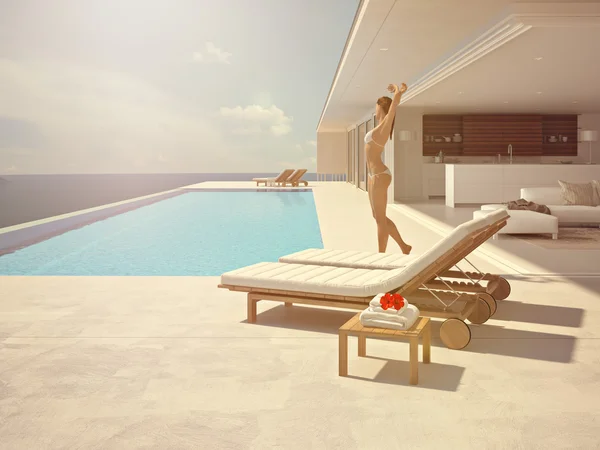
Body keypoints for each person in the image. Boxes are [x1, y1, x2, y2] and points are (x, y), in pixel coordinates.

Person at [365, 82, 412, 254]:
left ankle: (381, 256)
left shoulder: (385, 126)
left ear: (380, 107)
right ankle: (404, 247)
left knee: (379, 220)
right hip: (374, 176)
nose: (375, 109)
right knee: (378, 217)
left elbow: (393, 110)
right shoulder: (379, 127)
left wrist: (397, 94)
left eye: (376, 106)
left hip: (380, 175)